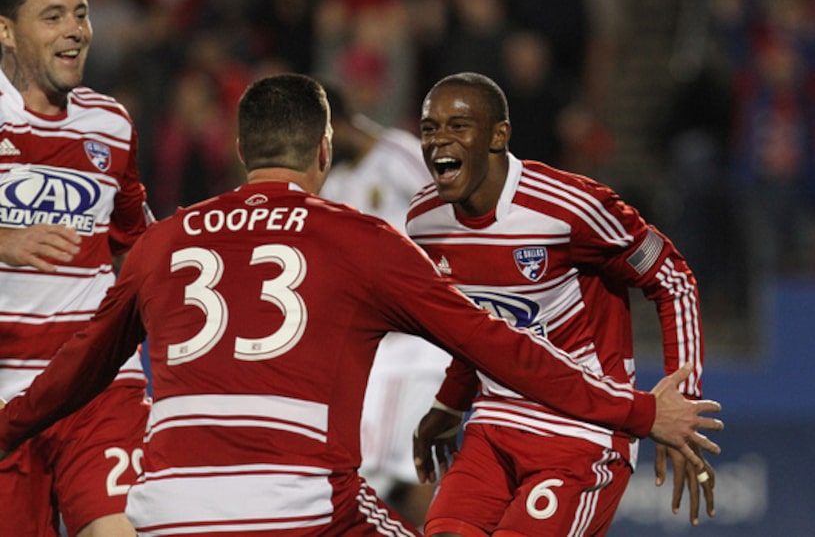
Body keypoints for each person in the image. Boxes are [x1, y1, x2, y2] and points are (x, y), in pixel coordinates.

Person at [0, 73, 723, 536]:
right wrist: (638, 410)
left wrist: (5, 431)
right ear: (324, 151)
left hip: (165, 512)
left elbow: (77, 368)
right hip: (301, 505)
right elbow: (496, 344)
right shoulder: (361, 240)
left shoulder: (163, 243)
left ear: (239, 149)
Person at [408, 72, 717, 537]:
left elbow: (673, 280)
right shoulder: (424, 222)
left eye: (458, 126)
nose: (439, 141)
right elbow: (481, 327)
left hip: (583, 430)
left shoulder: (569, 207)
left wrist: (682, 402)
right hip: (493, 424)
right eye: (430, 128)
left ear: (498, 135)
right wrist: (451, 405)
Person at [0, 0, 153, 536]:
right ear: (7, 31)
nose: (75, 30)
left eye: (82, 14)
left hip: (97, 384)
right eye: (54, 15)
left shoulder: (111, 124)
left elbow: (132, 242)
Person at [319, 81, 452, 527]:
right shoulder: (334, 183)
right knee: (383, 474)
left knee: (403, 471)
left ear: (334, 126)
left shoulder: (399, 154)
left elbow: (454, 217)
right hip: (373, 353)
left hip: (419, 347)